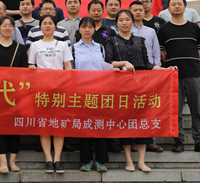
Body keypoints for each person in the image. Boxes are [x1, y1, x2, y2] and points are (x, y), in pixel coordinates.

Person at [104, 10, 170, 172]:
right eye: (121, 20)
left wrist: (165, 70)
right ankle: (128, 161)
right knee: (125, 122)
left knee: (142, 121)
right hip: (121, 86)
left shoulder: (140, 40)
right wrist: (124, 63)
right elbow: (107, 62)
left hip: (141, 86)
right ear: (116, 23)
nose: (124, 22)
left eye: (127, 19)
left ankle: (141, 161)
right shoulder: (111, 41)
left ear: (133, 22)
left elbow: (147, 63)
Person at [158, 0, 200, 154]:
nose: (176, 6)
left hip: (194, 73)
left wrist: (191, 61)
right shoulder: (163, 29)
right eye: (173, 4)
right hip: (173, 75)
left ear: (184, 7)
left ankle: (199, 141)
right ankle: (179, 141)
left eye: (179, 4)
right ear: (168, 8)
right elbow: (162, 52)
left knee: (197, 110)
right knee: (176, 110)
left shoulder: (194, 27)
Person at [28, 15, 72, 173]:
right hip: (42, 90)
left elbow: (68, 66)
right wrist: (32, 68)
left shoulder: (63, 45)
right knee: (45, 124)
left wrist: (66, 84)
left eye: (50, 23)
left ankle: (57, 159)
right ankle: (48, 159)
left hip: (60, 90)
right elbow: (31, 65)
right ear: (40, 27)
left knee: (59, 124)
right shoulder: (34, 45)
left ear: (55, 27)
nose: (47, 26)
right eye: (44, 23)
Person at [0, 15, 28, 173]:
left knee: (15, 127)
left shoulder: (20, 48)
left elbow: (25, 73)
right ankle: (2, 162)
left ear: (14, 29)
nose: (7, 28)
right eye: (4, 25)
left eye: (10, 25)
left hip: (16, 95)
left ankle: (12, 161)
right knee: (0, 127)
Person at [73, 17, 116, 173]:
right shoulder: (73, 48)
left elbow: (106, 66)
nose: (87, 30)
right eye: (84, 27)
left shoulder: (100, 47)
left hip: (100, 91)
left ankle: (100, 161)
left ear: (94, 29)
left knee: (100, 125)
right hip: (82, 92)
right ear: (79, 29)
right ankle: (86, 161)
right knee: (84, 126)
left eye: (90, 27)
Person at [129, 1, 164, 153]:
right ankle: (132, 140)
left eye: (140, 10)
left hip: (149, 73)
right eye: (134, 10)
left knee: (149, 108)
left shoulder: (150, 31)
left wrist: (157, 70)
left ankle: (150, 141)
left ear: (144, 12)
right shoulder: (125, 30)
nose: (138, 12)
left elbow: (156, 52)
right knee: (131, 107)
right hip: (130, 74)